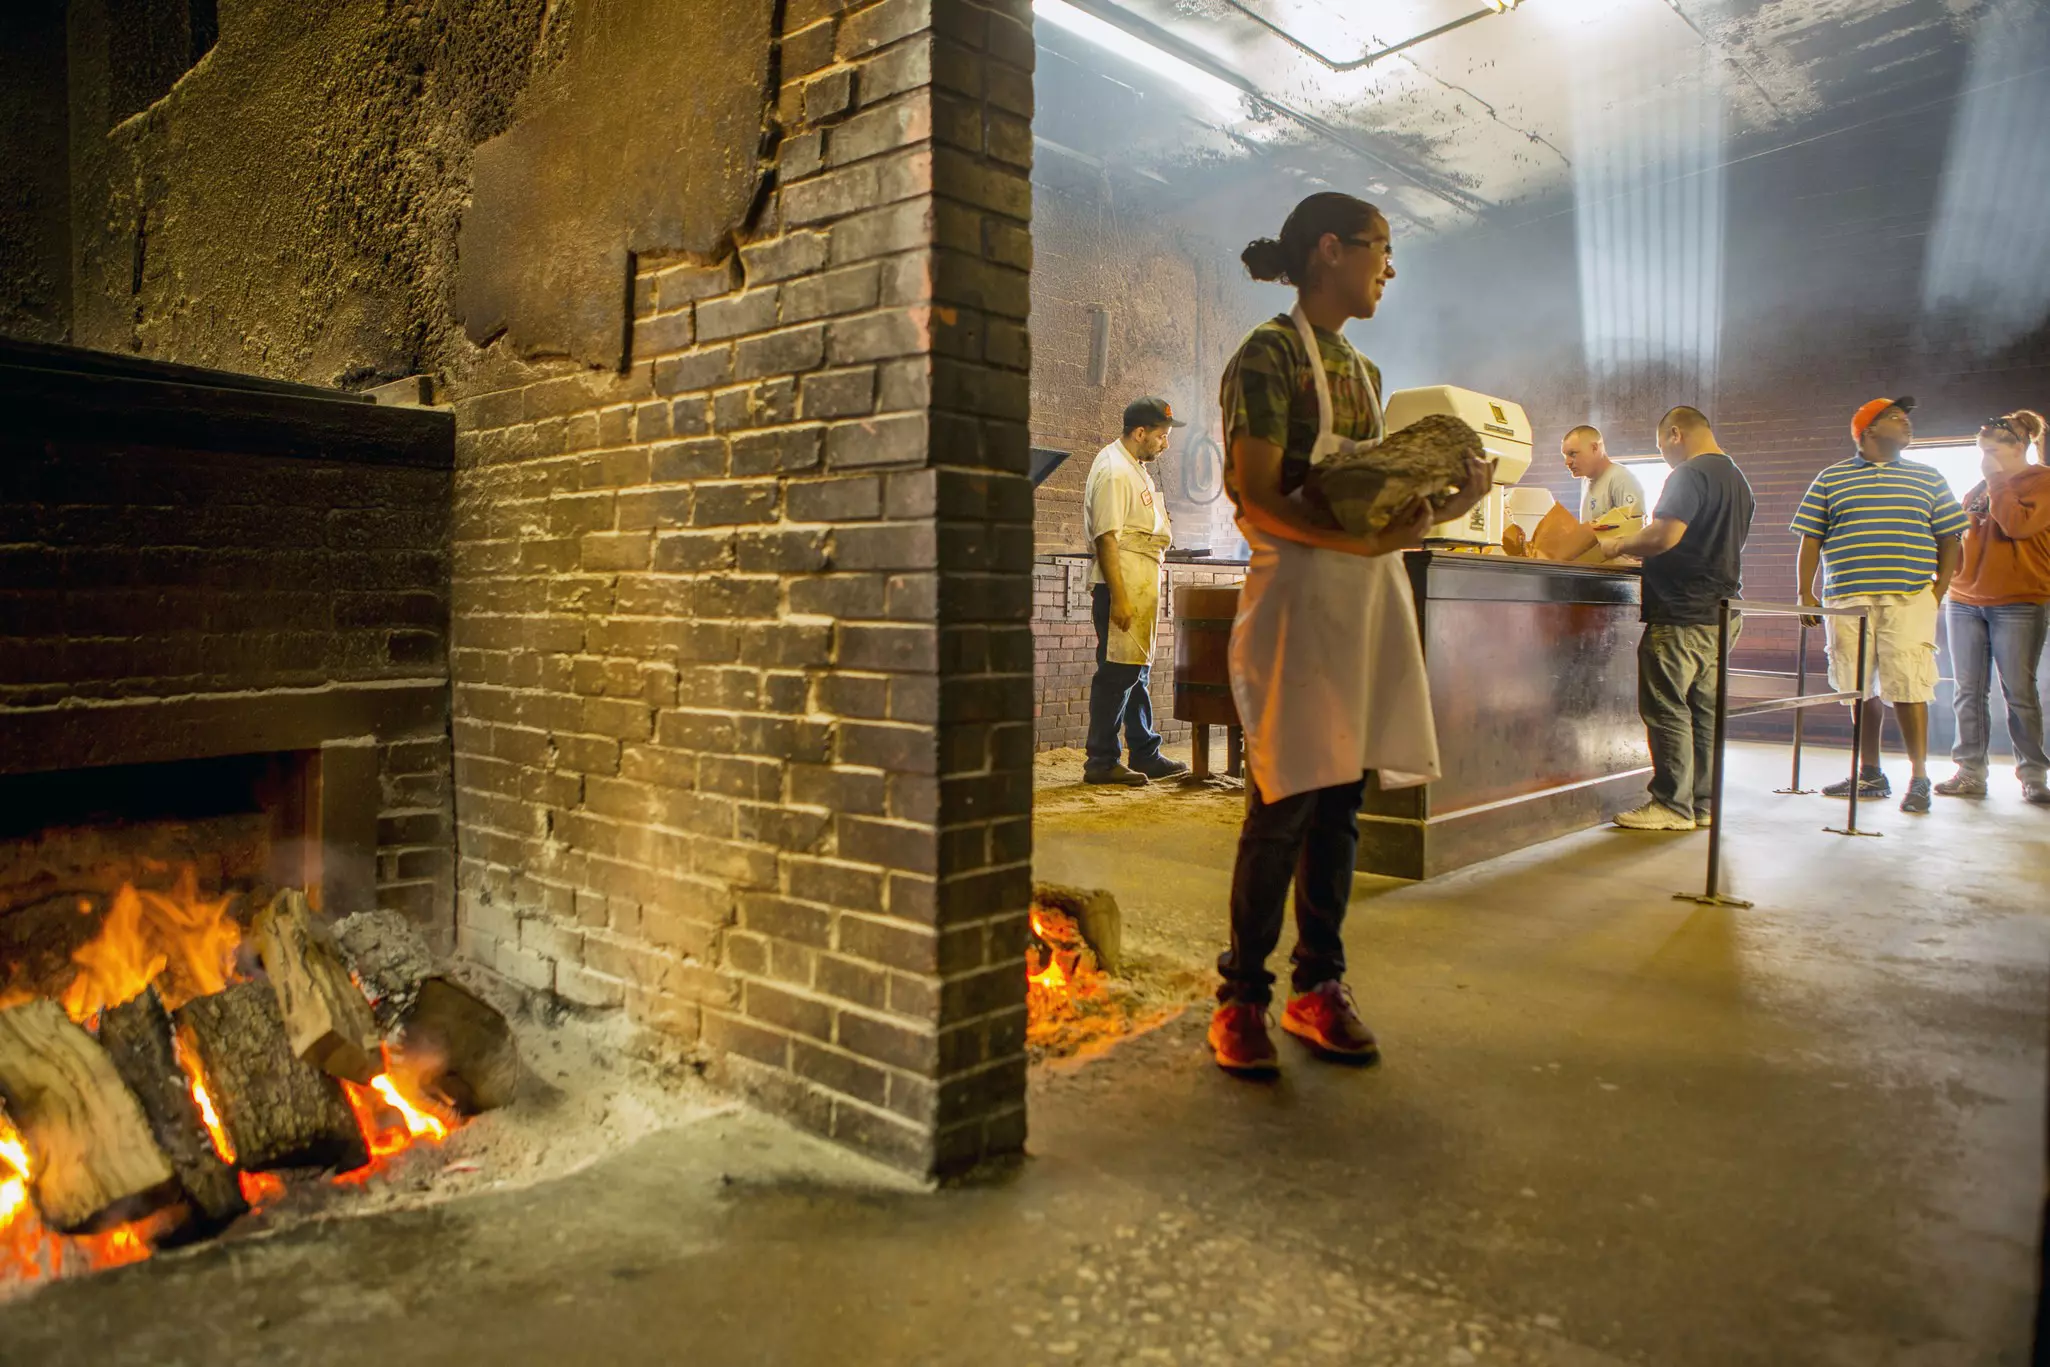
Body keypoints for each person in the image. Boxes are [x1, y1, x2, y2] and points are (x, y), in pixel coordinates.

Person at [1207, 192, 1491, 1076]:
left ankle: (1317, 986)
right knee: (1284, 799)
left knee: (1340, 804)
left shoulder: (1363, 375)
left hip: (1363, 599)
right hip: (1295, 598)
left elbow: (1366, 497)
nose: (1389, 267)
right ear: (1328, 250)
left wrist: (1450, 504)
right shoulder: (1267, 354)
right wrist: (1363, 539)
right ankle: (1241, 998)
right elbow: (1257, 498)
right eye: (1380, 248)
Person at [1792, 397, 1969, 814]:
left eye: (1906, 418)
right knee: (1858, 688)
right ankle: (1869, 772)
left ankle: (1920, 776)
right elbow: (1811, 539)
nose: (1906, 424)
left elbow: (1950, 537)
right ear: (1867, 431)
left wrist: (1937, 590)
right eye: (1894, 418)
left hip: (1908, 597)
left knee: (1909, 685)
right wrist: (1804, 592)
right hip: (1848, 597)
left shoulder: (1928, 478)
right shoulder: (1831, 478)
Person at [1596, 408, 1756, 831]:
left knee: (1667, 708)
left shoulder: (1689, 474)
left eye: (1661, 447)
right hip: (1719, 613)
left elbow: (1666, 535)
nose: (1665, 455)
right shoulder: (1737, 480)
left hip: (1681, 612)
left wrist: (1619, 545)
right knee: (1702, 712)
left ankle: (1670, 804)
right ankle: (1702, 805)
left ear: (1674, 433)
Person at [1935, 410, 2050, 805]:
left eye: (1993, 449)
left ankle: (2033, 775)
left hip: (2019, 601)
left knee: (2019, 691)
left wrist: (1998, 478)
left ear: (2020, 446)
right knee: (1967, 690)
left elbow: (2017, 525)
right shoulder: (1978, 488)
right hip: (1966, 601)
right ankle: (1970, 771)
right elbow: (1965, 537)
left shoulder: (2043, 482)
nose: (1984, 456)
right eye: (1981, 449)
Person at [1081, 398, 1193, 786]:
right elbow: (1106, 538)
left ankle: (1144, 752)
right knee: (1116, 673)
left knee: (1136, 672)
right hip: (1122, 583)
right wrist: (1122, 597)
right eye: (1161, 436)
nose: (1165, 443)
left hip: (1139, 578)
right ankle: (1101, 761)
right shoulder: (1114, 471)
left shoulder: (1135, 468)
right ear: (1139, 433)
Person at [1562, 424, 1646, 524]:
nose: (1567, 462)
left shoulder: (1620, 478)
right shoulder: (1586, 481)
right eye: (1565, 456)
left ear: (1594, 448)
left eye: (1573, 454)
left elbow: (1635, 528)